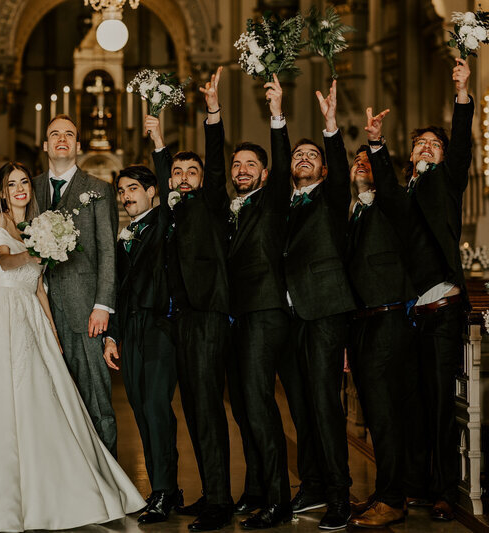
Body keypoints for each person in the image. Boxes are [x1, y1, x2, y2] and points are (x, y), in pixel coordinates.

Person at [0, 162, 145, 532]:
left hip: (30, 314)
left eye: (24, 183)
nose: (19, 189)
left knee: (46, 400)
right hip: (3, 316)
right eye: (11, 184)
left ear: (31, 188)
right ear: (1, 192)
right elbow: (5, 261)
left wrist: (52, 331)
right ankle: (1, 494)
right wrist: (35, 251)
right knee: (5, 402)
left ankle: (55, 489)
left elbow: (38, 288)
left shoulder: (37, 225)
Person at [147, 66, 233, 532]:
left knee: (206, 407)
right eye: (177, 172)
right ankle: (211, 492)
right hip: (179, 319)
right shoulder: (172, 208)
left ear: (201, 178)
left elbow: (217, 162)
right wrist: (158, 140)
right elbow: (162, 176)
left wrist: (212, 111)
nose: (182, 177)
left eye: (190, 171)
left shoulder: (211, 204)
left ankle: (220, 502)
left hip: (206, 316)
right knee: (194, 409)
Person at [272, 78, 356, 531]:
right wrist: (277, 115)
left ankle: (339, 496)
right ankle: (314, 482)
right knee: (301, 406)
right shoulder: (281, 203)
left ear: (323, 170)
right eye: (296, 155)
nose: (303, 159)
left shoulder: (330, 194)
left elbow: (341, 167)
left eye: (312, 156)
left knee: (325, 405)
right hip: (288, 316)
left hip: (323, 311)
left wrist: (329, 127)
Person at [336, 108, 415, 528]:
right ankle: (384, 490)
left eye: (367, 162)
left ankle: (395, 498)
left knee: (386, 414)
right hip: (361, 323)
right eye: (357, 162)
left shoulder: (391, 206)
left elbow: (387, 183)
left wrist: (377, 145)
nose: (361, 166)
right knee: (371, 409)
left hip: (388, 320)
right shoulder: (351, 213)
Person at [402, 58, 473, 522]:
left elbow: (462, 141)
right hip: (410, 313)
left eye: (435, 145)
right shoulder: (402, 190)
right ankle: (421, 487)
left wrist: (463, 92)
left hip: (443, 306)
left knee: (444, 406)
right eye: (420, 144)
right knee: (416, 404)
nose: (427, 148)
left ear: (444, 157)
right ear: (410, 155)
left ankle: (447, 490)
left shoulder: (446, 182)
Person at [224, 77, 292, 530]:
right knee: (243, 406)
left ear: (265, 174)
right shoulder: (230, 208)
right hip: (236, 317)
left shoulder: (270, 202)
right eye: (237, 164)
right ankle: (256, 488)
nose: (243, 169)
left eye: (251, 164)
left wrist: (276, 113)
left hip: (265, 313)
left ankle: (279, 499)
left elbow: (284, 164)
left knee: (259, 403)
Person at [32, 115, 119, 454]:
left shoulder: (98, 189)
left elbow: (108, 252)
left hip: (86, 311)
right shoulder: (30, 187)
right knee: (49, 403)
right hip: (39, 311)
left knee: (96, 401)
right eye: (55, 134)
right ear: (45, 145)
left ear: (78, 146)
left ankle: (108, 482)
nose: (62, 139)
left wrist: (102, 305)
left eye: (69, 134)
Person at [103, 165, 181, 524]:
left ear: (154, 191)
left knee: (155, 407)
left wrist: (157, 139)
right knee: (139, 407)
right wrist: (113, 335)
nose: (126, 196)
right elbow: (117, 290)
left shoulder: (164, 222)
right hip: (131, 328)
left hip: (159, 326)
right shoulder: (125, 234)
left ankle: (165, 489)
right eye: (121, 191)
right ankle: (163, 489)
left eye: (133, 188)